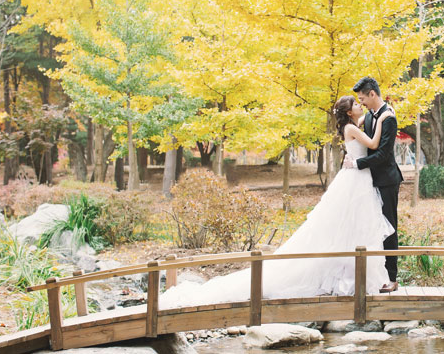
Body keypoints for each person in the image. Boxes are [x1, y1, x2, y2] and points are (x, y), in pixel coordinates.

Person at [159, 95, 395, 309]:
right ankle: (349, 276)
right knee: (350, 225)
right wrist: (384, 118)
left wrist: (380, 110)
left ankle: (350, 276)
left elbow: (368, 115)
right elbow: (374, 144)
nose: (359, 105)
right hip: (355, 179)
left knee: (355, 226)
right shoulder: (353, 128)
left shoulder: (351, 123)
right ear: (349, 112)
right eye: (356, 103)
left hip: (357, 179)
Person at [344, 76, 403, 293]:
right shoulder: (369, 117)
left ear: (372, 94)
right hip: (367, 182)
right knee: (370, 228)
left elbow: (383, 153)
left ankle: (392, 278)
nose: (362, 103)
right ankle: (375, 274)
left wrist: (357, 163)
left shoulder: (388, 117)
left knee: (389, 228)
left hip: (386, 180)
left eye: (363, 98)